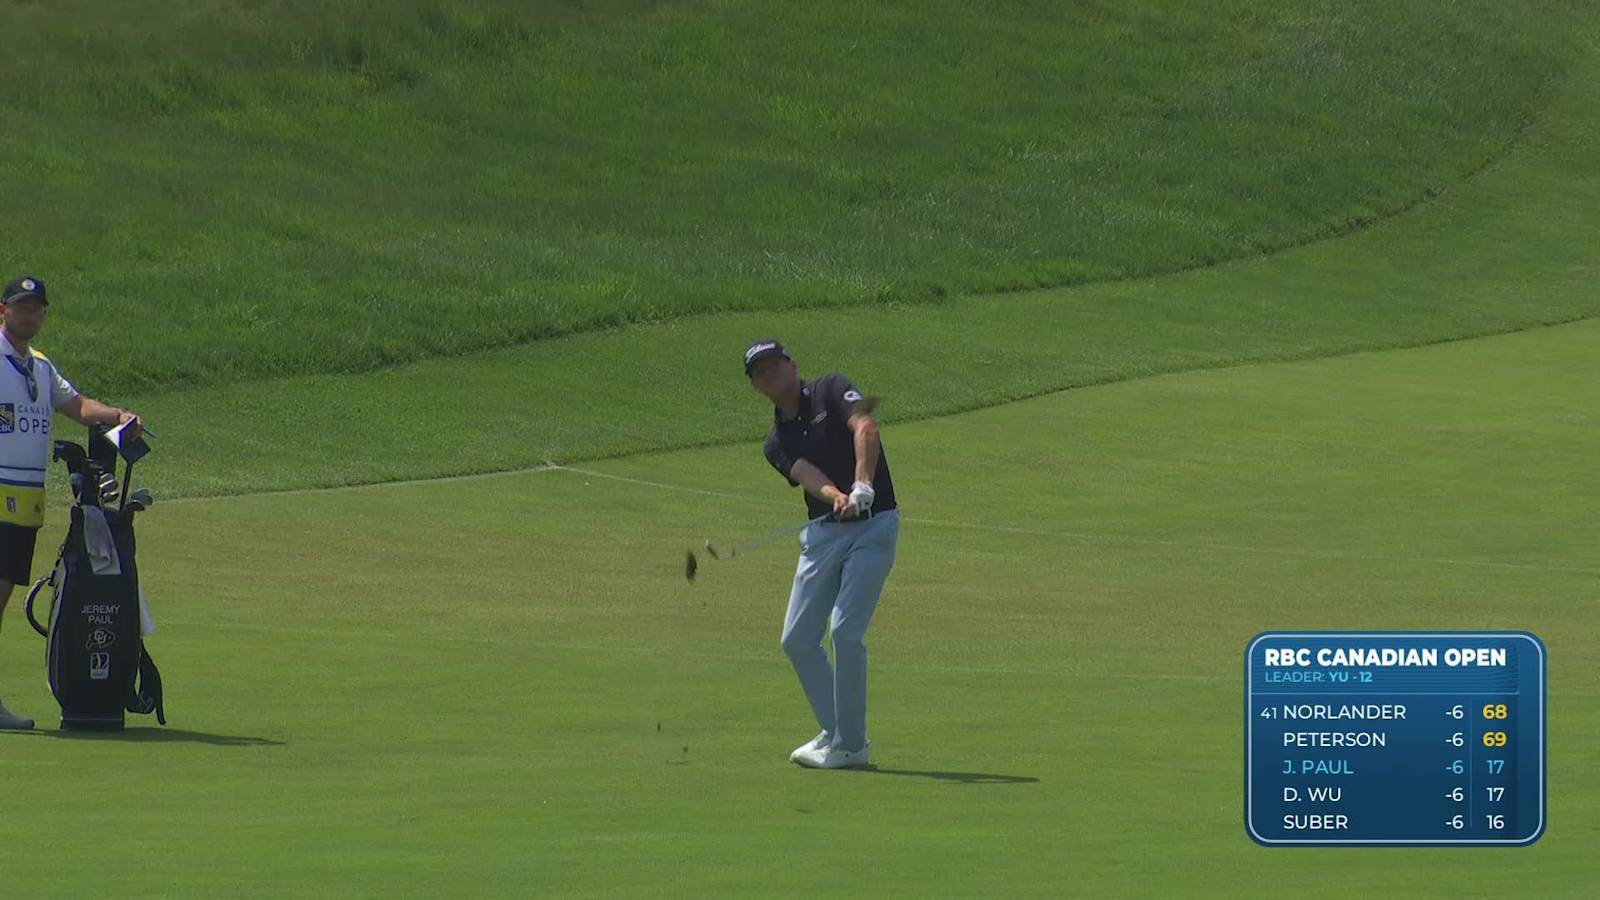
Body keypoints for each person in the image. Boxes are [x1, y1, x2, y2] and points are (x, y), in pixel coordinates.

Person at [745, 338, 899, 769]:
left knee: (845, 632)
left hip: (875, 526)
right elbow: (808, 475)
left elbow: (865, 428)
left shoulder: (831, 389)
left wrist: (863, 484)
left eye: (775, 365)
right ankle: (837, 732)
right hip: (824, 535)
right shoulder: (776, 442)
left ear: (792, 366)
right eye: (760, 373)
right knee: (797, 640)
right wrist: (836, 495)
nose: (770, 375)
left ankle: (850, 746)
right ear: (756, 387)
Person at [0, 276, 144, 731]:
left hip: (24, 501)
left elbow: (77, 406)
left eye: (36, 307)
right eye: (21, 306)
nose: (29, 314)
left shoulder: (41, 367)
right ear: (3, 310)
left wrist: (118, 415)